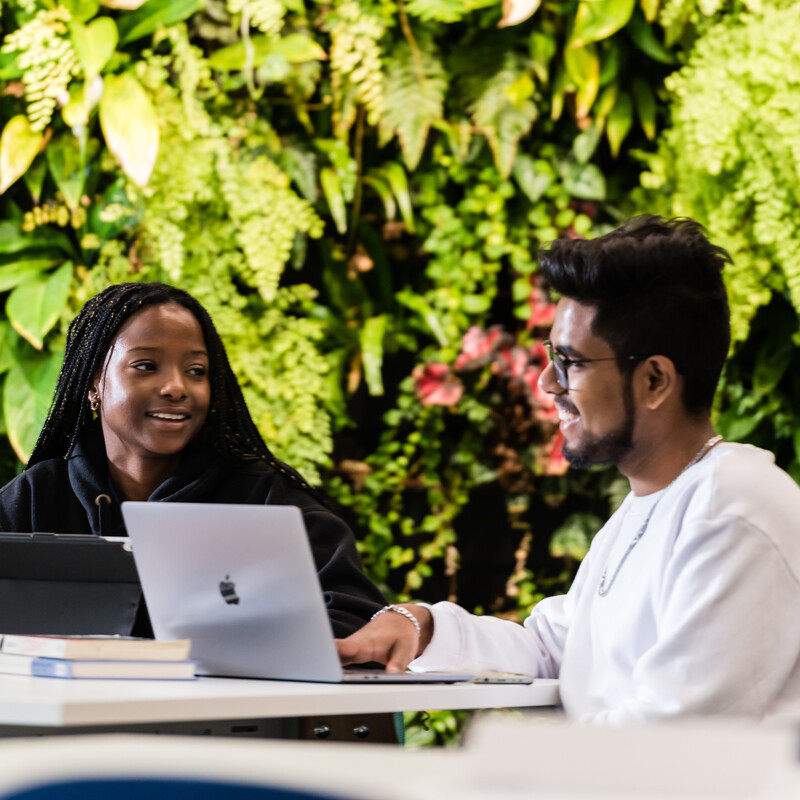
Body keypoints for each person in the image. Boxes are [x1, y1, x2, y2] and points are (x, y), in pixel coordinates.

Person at [337, 216, 800, 723]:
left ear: (654, 380)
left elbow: (674, 736)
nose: (547, 383)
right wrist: (423, 626)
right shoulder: (653, 503)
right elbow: (554, 649)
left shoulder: (732, 508)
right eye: (551, 357)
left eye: (571, 362)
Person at [0, 282, 385, 637]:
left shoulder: (266, 498)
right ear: (93, 383)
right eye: (146, 366)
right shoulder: (34, 497)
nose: (176, 387)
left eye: (196, 371)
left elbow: (357, 622)